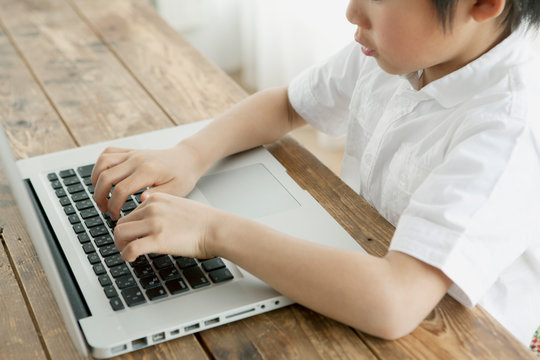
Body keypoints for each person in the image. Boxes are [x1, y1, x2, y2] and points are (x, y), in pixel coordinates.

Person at [91, 0, 540, 350]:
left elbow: (395, 303)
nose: (351, 12)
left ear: (481, 5)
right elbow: (288, 103)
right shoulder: (403, 49)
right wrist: (189, 154)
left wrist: (213, 230)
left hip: (451, 332)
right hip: (360, 258)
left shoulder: (509, 128)